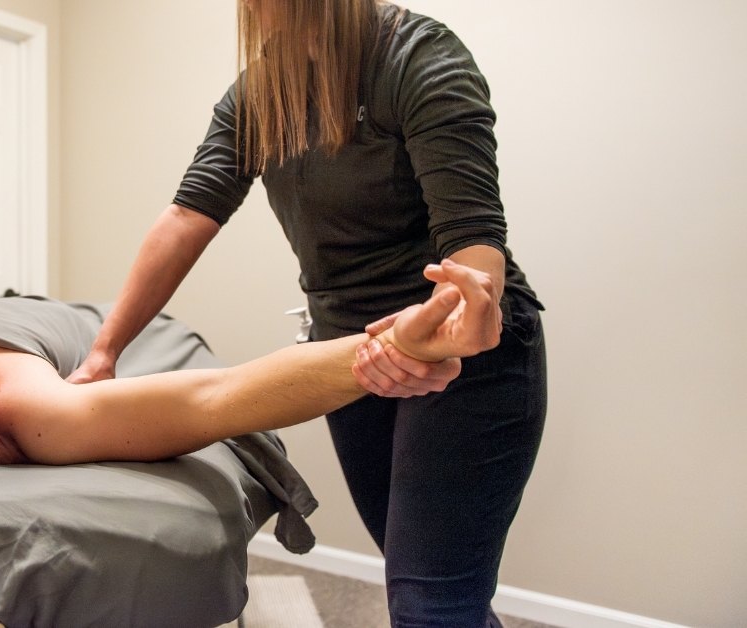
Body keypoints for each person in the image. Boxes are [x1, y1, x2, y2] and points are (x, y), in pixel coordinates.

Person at [66, 2, 547, 626]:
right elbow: (189, 215)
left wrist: (457, 319)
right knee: (424, 581)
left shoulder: (416, 56)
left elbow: (474, 239)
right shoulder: (262, 94)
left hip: (463, 360)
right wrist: (104, 354)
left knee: (430, 602)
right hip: (349, 359)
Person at [0, 260, 492, 508]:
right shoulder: (38, 416)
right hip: (20, 330)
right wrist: (396, 345)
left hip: (26, 324)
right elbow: (220, 397)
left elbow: (220, 397)